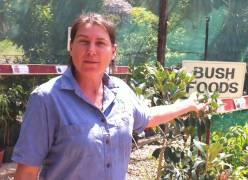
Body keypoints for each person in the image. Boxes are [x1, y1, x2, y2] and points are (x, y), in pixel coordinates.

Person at [12, 12, 207, 180]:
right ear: (71, 47)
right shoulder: (47, 99)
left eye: (100, 43)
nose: (91, 50)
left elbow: (148, 117)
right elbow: (27, 173)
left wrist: (187, 105)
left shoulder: (121, 92)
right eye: (83, 41)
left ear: (113, 51)